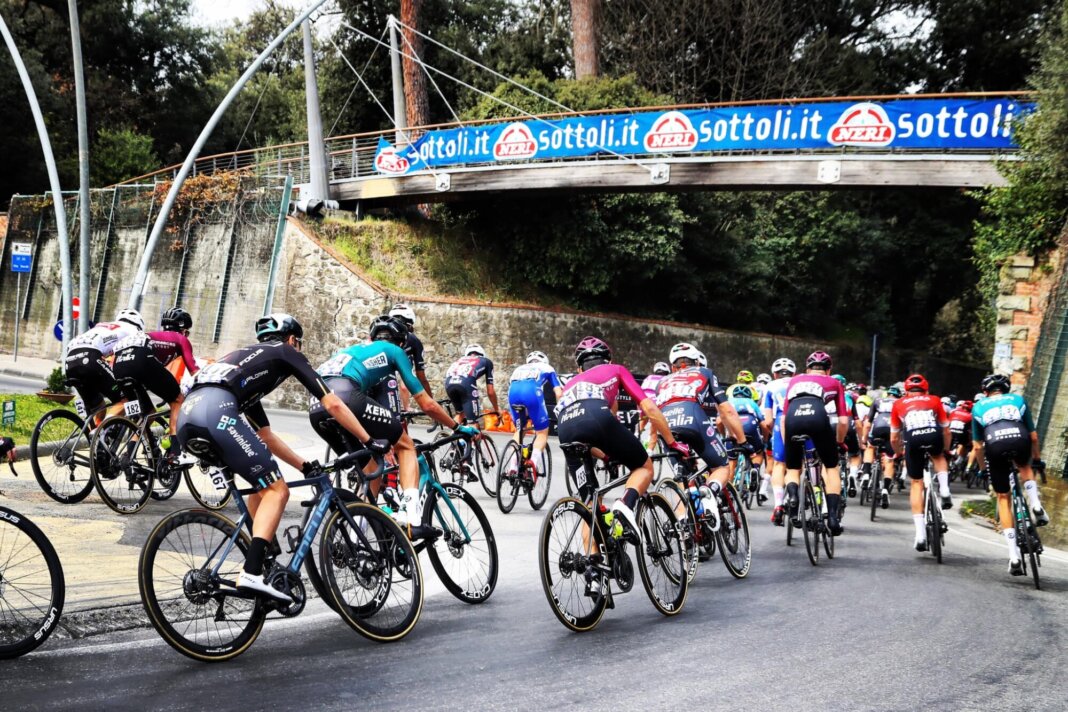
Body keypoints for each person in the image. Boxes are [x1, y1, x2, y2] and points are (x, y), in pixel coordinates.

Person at [177, 313, 387, 602]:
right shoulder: (285, 351)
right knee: (278, 490)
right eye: (297, 343)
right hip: (217, 411)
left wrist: (303, 465)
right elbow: (332, 402)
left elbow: (265, 436)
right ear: (292, 339)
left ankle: (263, 562)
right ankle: (251, 573)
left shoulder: (246, 364)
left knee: (261, 485)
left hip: (188, 417)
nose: (297, 349)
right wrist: (368, 440)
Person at [308, 315, 465, 525]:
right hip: (346, 397)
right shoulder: (394, 350)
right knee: (406, 446)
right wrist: (456, 426)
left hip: (317, 407)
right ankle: (411, 513)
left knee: (371, 470)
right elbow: (426, 403)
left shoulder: (349, 351)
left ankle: (358, 535)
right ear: (401, 341)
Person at [556, 336, 687, 537]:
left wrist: (607, 457)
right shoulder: (615, 369)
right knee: (644, 467)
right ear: (608, 360)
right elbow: (648, 407)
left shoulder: (570, 384)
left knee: (590, 507)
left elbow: (584, 429)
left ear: (580, 368)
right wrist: (672, 442)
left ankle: (593, 563)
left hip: (564, 427)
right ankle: (625, 506)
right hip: (597, 417)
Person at [655, 342, 747, 518]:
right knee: (721, 467)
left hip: (667, 429)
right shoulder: (704, 372)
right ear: (697, 362)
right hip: (693, 421)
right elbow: (726, 411)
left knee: (683, 480)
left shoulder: (661, 382)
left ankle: (684, 524)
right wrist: (742, 441)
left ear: (672, 367)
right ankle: (709, 491)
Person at [971, 374, 1048, 576]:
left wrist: (982, 469)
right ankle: (1036, 504)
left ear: (986, 391)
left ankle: (1013, 555)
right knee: (1025, 466)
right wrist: (1037, 459)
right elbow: (1033, 436)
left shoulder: (979, 406)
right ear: (1006, 389)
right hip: (1019, 439)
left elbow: (978, 447)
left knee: (1003, 498)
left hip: (995, 444)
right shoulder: (1017, 400)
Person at [112, 307, 200, 451]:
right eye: (187, 332)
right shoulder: (180, 338)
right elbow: (195, 371)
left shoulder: (152, 335)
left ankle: (128, 455)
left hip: (119, 363)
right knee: (177, 400)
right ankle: (175, 453)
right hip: (141, 360)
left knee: (146, 412)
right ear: (183, 330)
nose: (187, 335)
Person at [781, 351, 848, 536]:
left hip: (793, 420)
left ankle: (793, 496)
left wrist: (788, 442)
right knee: (831, 466)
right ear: (829, 369)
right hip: (818, 417)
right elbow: (843, 421)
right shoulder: (834, 383)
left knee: (793, 468)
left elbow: (783, 418)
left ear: (807, 368)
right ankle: (833, 518)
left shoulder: (794, 381)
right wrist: (840, 442)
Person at [890, 373, 952, 553]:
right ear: (926, 389)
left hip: (913, 441)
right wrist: (946, 450)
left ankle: (920, 535)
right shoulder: (934, 400)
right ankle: (945, 490)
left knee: (916, 483)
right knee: (938, 457)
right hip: (933, 436)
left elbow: (894, 436)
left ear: (906, 391)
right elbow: (946, 430)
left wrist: (898, 453)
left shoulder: (898, 404)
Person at [62, 309, 145, 418]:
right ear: (139, 325)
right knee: (126, 400)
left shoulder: (104, 326)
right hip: (90, 357)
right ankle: (105, 426)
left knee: (98, 407)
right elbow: (131, 358)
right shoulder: (133, 330)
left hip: (70, 360)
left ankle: (95, 433)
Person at [504, 351, 563, 480]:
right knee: (542, 432)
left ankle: (513, 465)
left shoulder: (518, 369)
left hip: (513, 394)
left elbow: (512, 389)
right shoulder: (547, 368)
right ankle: (533, 461)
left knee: (520, 430)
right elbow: (558, 393)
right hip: (531, 392)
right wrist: (560, 412)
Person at [762, 357, 796, 524]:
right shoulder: (799, 382)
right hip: (799, 420)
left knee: (779, 464)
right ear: (793, 373)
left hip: (779, 421)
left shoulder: (770, 386)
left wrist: (770, 433)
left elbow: (767, 420)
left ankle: (778, 505)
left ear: (774, 374)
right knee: (797, 463)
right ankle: (797, 493)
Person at [384, 303, 434, 409]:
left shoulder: (379, 336)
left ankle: (404, 410)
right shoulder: (414, 340)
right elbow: (420, 378)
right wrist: (431, 402)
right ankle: (406, 410)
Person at [861, 385, 902, 509]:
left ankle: (867, 474)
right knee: (889, 460)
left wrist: (864, 438)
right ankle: (885, 490)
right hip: (892, 429)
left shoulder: (878, 401)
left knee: (870, 447)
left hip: (878, 427)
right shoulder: (900, 403)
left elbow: (868, 423)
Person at [726, 383, 767, 498]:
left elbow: (719, 421)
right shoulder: (752, 403)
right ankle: (756, 469)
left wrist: (722, 434)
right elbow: (763, 425)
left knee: (731, 462)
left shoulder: (729, 402)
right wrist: (764, 440)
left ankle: (727, 493)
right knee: (758, 452)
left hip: (734, 428)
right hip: (750, 425)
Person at [444, 344, 499, 425]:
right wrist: (497, 409)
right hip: (465, 384)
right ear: (482, 354)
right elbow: (490, 392)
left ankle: (451, 435)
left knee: (460, 414)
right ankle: (475, 434)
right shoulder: (486, 361)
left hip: (449, 383)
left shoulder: (460, 360)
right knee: (473, 422)